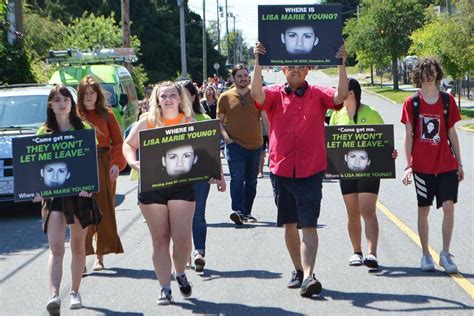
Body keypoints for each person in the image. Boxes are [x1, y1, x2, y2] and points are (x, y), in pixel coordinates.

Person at [251, 41, 348, 297]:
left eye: (300, 67)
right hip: (281, 170)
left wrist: (341, 65)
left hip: (311, 171)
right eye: (290, 66)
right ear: (283, 69)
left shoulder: (318, 93)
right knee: (290, 225)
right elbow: (257, 96)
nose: (295, 70)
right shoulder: (273, 94)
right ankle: (297, 269)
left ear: (307, 70)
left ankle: (309, 275)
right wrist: (258, 62)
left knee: (309, 225)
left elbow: (340, 97)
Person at [123, 81, 196, 305]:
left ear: (180, 98)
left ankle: (180, 272)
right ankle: (165, 287)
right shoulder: (147, 121)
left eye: (172, 95)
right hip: (152, 185)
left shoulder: (188, 121)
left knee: (182, 239)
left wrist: (215, 173)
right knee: (160, 240)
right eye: (163, 96)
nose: (167, 99)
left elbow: (203, 151)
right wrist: (133, 163)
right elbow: (128, 145)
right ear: (157, 99)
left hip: (181, 185)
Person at [33, 85, 101, 313]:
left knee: (78, 246)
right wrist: (36, 189)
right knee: (56, 248)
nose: (62, 103)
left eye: (66, 99)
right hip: (54, 198)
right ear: (50, 105)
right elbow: (35, 166)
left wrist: (90, 186)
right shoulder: (43, 132)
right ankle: (54, 296)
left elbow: (92, 163)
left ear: (72, 104)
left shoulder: (85, 128)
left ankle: (74, 291)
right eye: (57, 100)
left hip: (80, 195)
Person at [401, 57, 464, 274]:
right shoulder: (412, 103)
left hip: (446, 163)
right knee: (424, 209)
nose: (429, 77)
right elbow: (408, 135)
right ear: (419, 76)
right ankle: (426, 254)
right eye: (425, 73)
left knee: (448, 206)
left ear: (437, 74)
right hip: (422, 167)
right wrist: (408, 165)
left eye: (432, 73)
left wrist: (460, 162)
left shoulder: (447, 101)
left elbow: (452, 133)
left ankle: (445, 254)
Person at [329, 78, 395, 269]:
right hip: (346, 170)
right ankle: (356, 252)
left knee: (368, 210)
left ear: (351, 94)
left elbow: (384, 142)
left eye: (342, 91)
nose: (338, 95)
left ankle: (371, 253)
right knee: (352, 213)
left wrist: (390, 152)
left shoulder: (371, 113)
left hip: (370, 170)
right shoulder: (336, 115)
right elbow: (332, 143)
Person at [77, 75, 126, 272]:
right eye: (85, 93)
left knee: (103, 209)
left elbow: (119, 143)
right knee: (82, 212)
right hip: (81, 166)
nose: (89, 96)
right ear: (80, 96)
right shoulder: (75, 116)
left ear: (98, 95)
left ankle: (99, 257)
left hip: (104, 165)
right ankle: (80, 259)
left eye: (92, 92)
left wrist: (116, 163)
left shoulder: (107, 114)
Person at [179, 79, 226, 272]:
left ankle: (199, 252)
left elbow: (214, 151)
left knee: (198, 215)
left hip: (200, 178)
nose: (180, 99)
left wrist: (220, 177)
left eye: (183, 94)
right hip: (175, 179)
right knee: (180, 218)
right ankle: (185, 254)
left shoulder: (205, 121)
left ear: (192, 96)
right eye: (176, 95)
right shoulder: (168, 122)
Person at [217, 64, 263, 225]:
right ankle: (237, 211)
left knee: (251, 181)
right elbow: (219, 122)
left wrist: (271, 138)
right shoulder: (225, 97)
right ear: (233, 78)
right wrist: (226, 138)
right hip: (234, 144)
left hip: (256, 144)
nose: (243, 78)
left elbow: (265, 117)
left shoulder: (257, 94)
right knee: (237, 178)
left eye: (245, 76)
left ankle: (247, 212)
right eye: (239, 76)